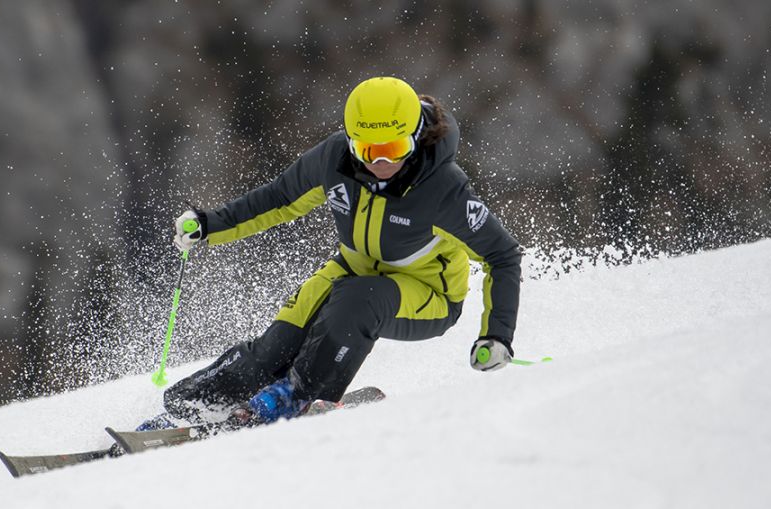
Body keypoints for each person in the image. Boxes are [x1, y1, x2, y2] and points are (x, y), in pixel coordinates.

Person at [157, 76, 522, 427]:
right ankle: (193, 404)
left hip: (429, 295)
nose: (381, 164)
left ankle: (298, 396)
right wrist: (210, 224)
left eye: (394, 150)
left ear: (415, 138)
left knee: (358, 299)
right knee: (276, 347)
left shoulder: (443, 190)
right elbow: (279, 198)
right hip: (352, 269)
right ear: (351, 141)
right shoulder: (335, 160)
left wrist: (497, 335)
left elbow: (503, 255)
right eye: (367, 151)